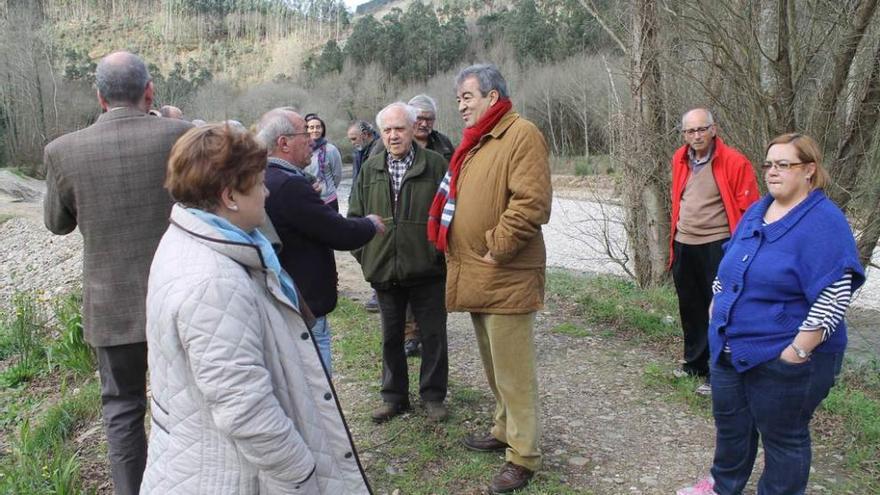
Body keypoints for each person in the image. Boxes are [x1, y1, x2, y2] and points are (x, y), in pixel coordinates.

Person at [139, 124, 370, 494]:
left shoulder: (192, 240)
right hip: (230, 477)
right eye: (259, 183)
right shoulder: (213, 282)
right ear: (230, 196)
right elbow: (245, 409)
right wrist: (301, 473)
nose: (265, 192)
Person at [678, 133, 865, 495]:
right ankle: (723, 486)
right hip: (731, 346)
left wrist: (797, 350)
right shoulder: (758, 210)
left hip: (785, 355)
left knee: (784, 439)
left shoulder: (824, 221)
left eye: (784, 165)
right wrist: (717, 302)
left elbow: (835, 292)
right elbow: (730, 262)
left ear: (809, 170)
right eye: (769, 164)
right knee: (731, 426)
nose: (772, 172)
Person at [43, 51, 192, 494]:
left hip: (111, 307)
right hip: (181, 298)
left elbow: (57, 224)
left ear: (100, 97)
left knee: (123, 411)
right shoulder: (182, 137)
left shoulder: (62, 151)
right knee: (187, 406)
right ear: (149, 91)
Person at [428, 64, 551, 493]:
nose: (460, 105)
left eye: (467, 97)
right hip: (478, 273)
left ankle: (524, 455)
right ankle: (504, 430)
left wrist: (496, 246)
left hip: (505, 272)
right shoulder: (478, 142)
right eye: (458, 98)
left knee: (514, 373)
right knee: (494, 366)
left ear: (493, 98)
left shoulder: (521, 134)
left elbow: (531, 203)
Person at [256, 108, 384, 377]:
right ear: (284, 143)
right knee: (316, 388)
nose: (312, 140)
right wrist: (369, 224)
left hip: (284, 300)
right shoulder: (290, 185)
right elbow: (337, 232)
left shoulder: (264, 177)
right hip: (303, 304)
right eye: (305, 133)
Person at [349, 102, 449, 423]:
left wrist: (437, 253)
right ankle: (394, 397)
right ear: (381, 133)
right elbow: (354, 218)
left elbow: (451, 216)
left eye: (399, 129)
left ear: (412, 129)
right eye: (387, 130)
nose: (393, 136)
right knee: (391, 337)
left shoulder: (435, 165)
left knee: (433, 335)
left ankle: (433, 397)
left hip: (427, 270)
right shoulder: (370, 168)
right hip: (385, 272)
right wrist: (369, 258)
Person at [669, 108, 759, 395]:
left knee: (718, 310)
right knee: (690, 306)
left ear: (713, 129)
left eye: (701, 129)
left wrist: (742, 252)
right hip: (684, 242)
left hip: (718, 245)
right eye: (690, 131)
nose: (696, 135)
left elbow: (750, 211)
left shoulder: (735, 161)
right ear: (684, 134)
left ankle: (717, 372)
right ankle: (694, 365)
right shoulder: (679, 159)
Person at [304, 113, 343, 211]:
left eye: (318, 127)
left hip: (329, 200)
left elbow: (337, 175)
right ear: (306, 130)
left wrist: (328, 189)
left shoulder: (331, 150)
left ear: (322, 129)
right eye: (311, 127)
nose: (315, 130)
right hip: (308, 200)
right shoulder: (302, 150)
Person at [347, 119, 381, 184]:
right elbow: (355, 180)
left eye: (354, 139)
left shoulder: (382, 149)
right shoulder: (358, 151)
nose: (352, 143)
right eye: (350, 140)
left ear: (365, 134)